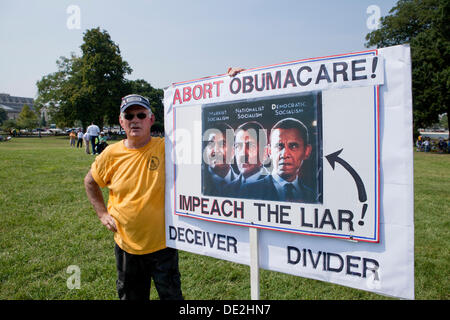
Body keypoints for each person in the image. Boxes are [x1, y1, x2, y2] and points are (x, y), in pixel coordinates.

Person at [84, 94, 183, 300]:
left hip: (163, 244)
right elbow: (90, 182)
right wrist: (102, 214)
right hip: (127, 245)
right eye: (129, 116)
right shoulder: (110, 154)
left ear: (151, 119)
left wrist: (233, 85)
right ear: (121, 121)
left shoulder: (167, 148)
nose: (134, 120)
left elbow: (201, 132)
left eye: (140, 114)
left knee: (172, 297)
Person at [241, 117, 317, 203]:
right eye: (279, 146)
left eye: (293, 146)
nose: (285, 154)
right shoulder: (247, 191)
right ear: (269, 151)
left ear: (306, 151)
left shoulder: (313, 196)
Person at [224, 121, 269, 197]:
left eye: (251, 146)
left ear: (264, 153)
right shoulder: (226, 190)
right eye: (238, 146)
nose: (243, 154)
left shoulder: (278, 189)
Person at [202, 122, 237, 196]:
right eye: (211, 143)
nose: (216, 150)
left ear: (233, 151)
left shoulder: (245, 184)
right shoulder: (198, 181)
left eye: (222, 144)